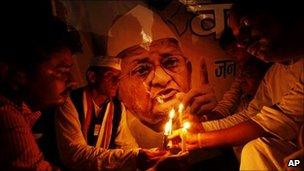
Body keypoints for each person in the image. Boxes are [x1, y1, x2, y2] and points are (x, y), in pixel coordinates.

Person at [169, 0, 304, 170]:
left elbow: (276, 121)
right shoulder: (274, 74)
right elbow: (252, 114)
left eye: (246, 24)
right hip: (293, 156)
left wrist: (199, 139)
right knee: (257, 150)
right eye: (237, 36)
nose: (241, 43)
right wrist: (202, 126)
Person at [107, 4, 217, 148]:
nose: (162, 79)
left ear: (188, 69)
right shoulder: (119, 141)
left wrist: (210, 120)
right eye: (141, 70)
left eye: (171, 62)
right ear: (117, 88)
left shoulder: (203, 118)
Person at [55, 56, 165, 170]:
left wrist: (143, 154)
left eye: (119, 77)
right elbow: (74, 154)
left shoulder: (117, 107)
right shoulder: (70, 102)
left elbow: (126, 143)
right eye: (110, 76)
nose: (117, 82)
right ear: (92, 77)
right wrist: (134, 157)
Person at [0, 17, 82, 170]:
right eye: (62, 71)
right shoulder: (7, 116)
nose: (73, 81)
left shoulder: (24, 110)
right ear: (21, 73)